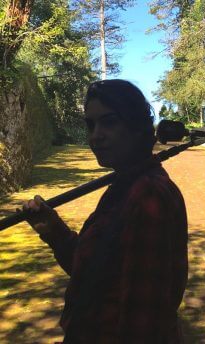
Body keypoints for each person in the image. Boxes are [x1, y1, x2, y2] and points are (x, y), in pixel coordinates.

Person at [21, 80, 188, 343]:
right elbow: (94, 272)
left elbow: (143, 321)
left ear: (135, 126)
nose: (96, 135)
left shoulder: (148, 195)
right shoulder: (124, 186)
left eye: (109, 122)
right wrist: (53, 230)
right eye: (91, 125)